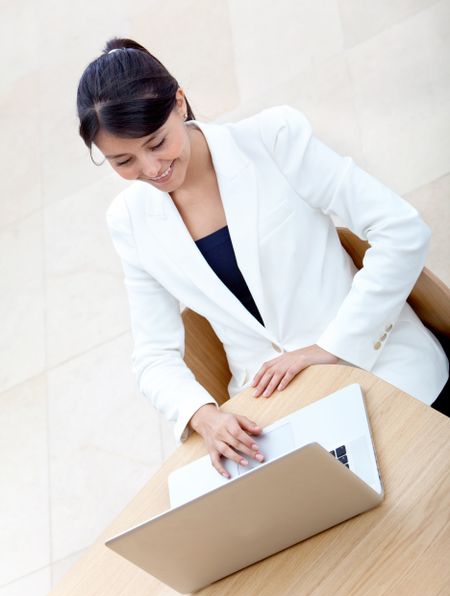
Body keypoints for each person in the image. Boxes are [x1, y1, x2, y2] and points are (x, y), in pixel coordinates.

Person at [77, 37, 449, 478]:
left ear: (179, 102)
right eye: (124, 161)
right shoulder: (129, 220)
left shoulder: (272, 139)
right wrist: (204, 415)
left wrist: (331, 347)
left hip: (390, 375)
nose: (151, 169)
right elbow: (154, 355)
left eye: (157, 142)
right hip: (278, 422)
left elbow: (400, 231)